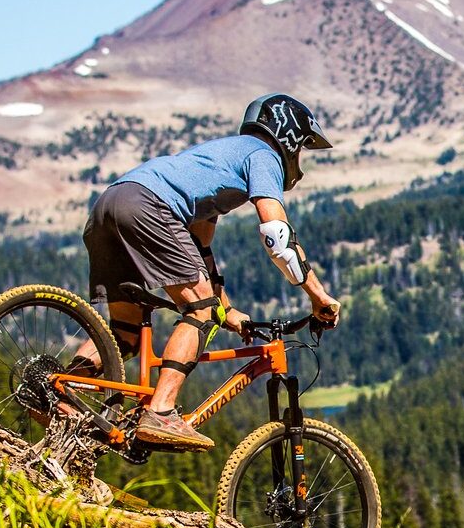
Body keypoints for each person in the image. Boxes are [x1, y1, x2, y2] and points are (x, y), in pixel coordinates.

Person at [76, 93, 342, 450]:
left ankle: (59, 388)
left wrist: (227, 310)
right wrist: (318, 296)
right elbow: (278, 237)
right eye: (302, 147)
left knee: (124, 335)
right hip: (147, 206)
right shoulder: (263, 155)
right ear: (290, 136)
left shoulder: (219, 158)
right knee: (200, 311)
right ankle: (161, 410)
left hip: (110, 204)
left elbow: (200, 251)